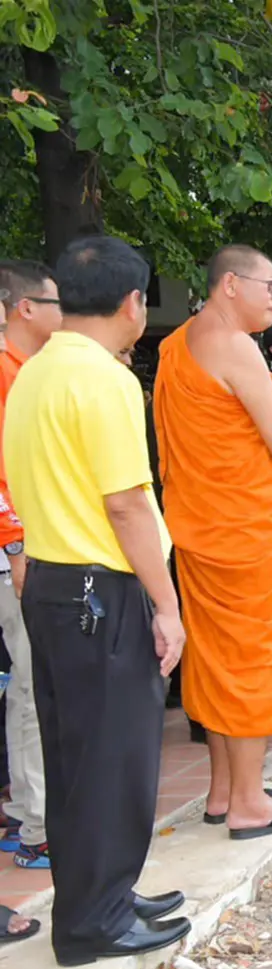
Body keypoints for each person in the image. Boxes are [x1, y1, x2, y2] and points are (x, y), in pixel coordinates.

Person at [5, 234, 190, 963]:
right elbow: (127, 505)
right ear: (133, 302)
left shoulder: (37, 369)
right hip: (98, 587)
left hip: (52, 580)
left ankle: (103, 897)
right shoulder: (105, 380)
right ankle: (94, 922)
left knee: (79, 757)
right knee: (114, 760)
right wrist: (167, 605)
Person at [154, 245, 272, 840]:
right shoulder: (235, 349)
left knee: (217, 656)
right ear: (230, 284)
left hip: (202, 526)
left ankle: (226, 790)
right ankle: (251, 804)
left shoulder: (176, 344)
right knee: (253, 656)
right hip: (249, 530)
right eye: (270, 285)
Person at [0, 260, 60, 873]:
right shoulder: (5, 373)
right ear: (24, 308)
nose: (61, 313)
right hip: (13, 553)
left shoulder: (28, 373)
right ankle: (39, 824)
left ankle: (28, 813)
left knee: (27, 687)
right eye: (53, 302)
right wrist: (16, 548)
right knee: (34, 685)